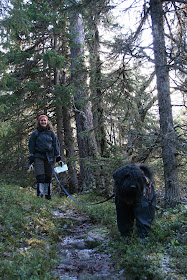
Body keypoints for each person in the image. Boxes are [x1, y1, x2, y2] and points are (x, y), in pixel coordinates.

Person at [28, 115, 61, 200]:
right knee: (40, 176)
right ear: (39, 122)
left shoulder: (51, 133)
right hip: (38, 156)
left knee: (48, 177)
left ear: (47, 122)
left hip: (50, 157)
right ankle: (39, 195)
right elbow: (31, 145)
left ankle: (48, 196)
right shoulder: (35, 133)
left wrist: (58, 156)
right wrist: (31, 156)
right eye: (41, 120)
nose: (43, 122)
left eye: (45, 120)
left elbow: (55, 144)